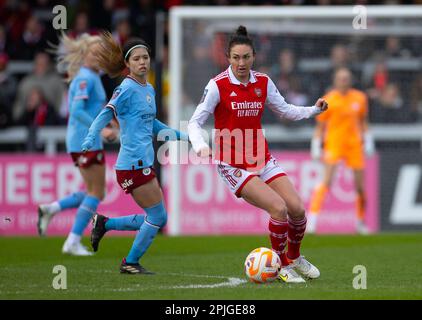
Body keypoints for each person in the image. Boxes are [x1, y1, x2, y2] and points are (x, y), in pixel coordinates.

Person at [187, 26, 328, 284]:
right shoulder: (217, 85)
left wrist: (313, 110)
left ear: (254, 56)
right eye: (236, 58)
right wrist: (200, 146)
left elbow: (284, 110)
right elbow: (194, 122)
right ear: (228, 58)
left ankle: (294, 258)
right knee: (278, 208)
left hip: (260, 157)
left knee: (297, 209)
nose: (241, 63)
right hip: (233, 163)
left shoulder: (262, 81)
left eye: (246, 57)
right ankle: (279, 264)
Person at [82, 32, 188, 274]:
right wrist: (91, 136)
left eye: (146, 57)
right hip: (131, 166)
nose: (143, 62)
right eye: (137, 58)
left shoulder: (148, 88)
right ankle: (129, 262)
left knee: (155, 217)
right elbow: (106, 113)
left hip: (142, 164)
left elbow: (154, 126)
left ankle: (104, 223)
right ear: (127, 64)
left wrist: (183, 136)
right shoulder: (126, 88)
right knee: (158, 217)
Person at [37, 33, 117, 256]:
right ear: (84, 55)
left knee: (94, 191)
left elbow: (91, 109)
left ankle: (52, 208)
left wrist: (109, 120)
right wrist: (102, 128)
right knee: (96, 192)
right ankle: (72, 240)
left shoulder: (91, 76)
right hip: (85, 140)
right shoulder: (86, 78)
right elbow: (78, 111)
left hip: (85, 140)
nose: (98, 56)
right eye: (93, 52)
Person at [308, 67, 375, 234]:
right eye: (341, 78)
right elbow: (320, 126)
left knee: (360, 186)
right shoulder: (329, 100)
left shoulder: (360, 98)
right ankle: (312, 221)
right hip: (334, 144)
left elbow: (364, 121)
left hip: (354, 145)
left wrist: (368, 140)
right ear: (335, 80)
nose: (344, 81)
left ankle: (360, 222)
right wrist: (316, 144)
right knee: (326, 181)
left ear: (350, 80)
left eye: (346, 78)